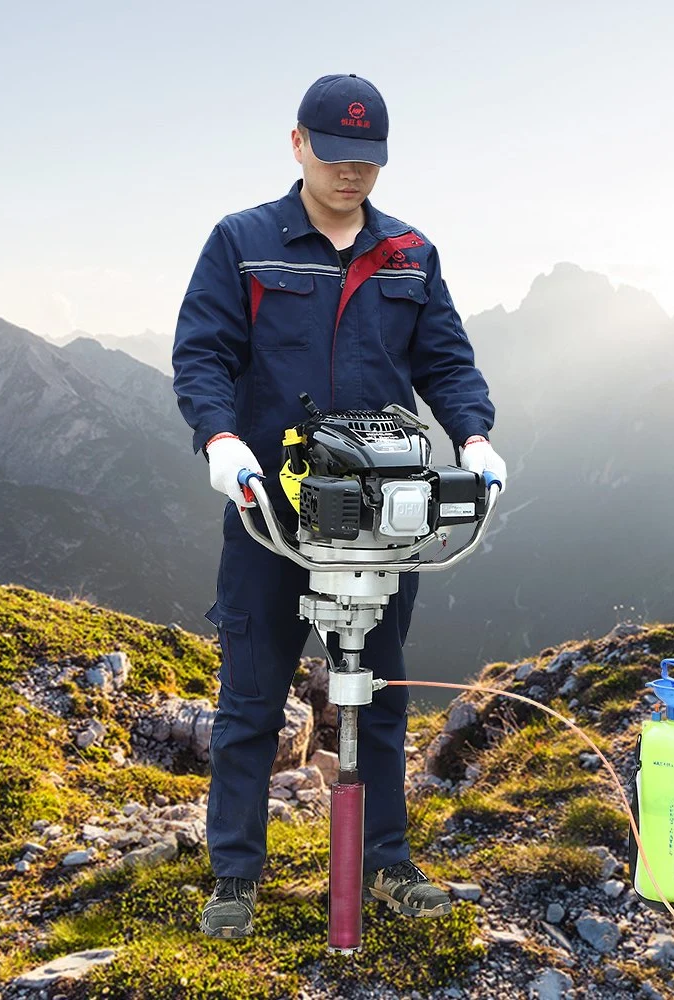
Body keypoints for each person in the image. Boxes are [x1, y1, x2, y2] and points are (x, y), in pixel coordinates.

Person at [172, 72, 507, 939]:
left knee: (380, 696)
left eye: (367, 159)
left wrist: (473, 437)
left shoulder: (411, 253)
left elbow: (447, 361)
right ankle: (235, 877)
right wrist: (220, 441)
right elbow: (202, 352)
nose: (351, 174)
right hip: (270, 512)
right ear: (297, 145)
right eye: (334, 155)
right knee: (252, 699)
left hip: (381, 519)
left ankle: (387, 865)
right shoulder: (243, 242)